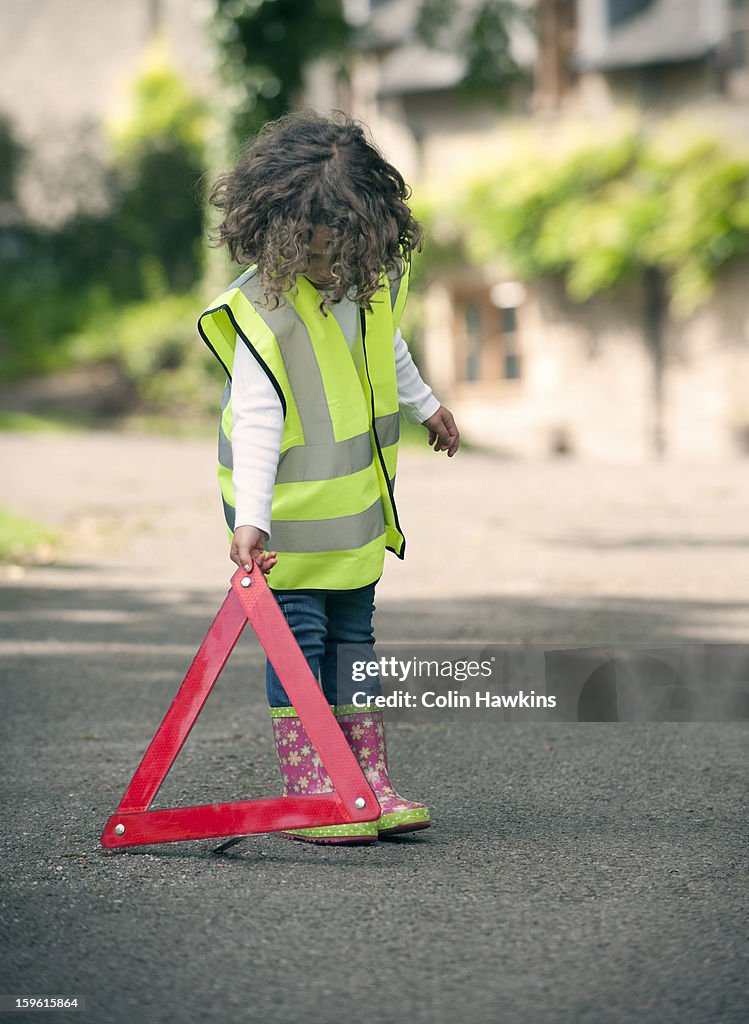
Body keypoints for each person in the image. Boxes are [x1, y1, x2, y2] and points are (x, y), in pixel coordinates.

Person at [198, 110, 459, 844]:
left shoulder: (367, 286)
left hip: (353, 522)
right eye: (308, 249)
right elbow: (253, 422)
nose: (325, 266)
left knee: (354, 645)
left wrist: (427, 405)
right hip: (282, 527)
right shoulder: (263, 312)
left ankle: (364, 779)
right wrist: (249, 520)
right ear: (275, 232)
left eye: (338, 250)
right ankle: (313, 786)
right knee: (300, 644)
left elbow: (389, 349)